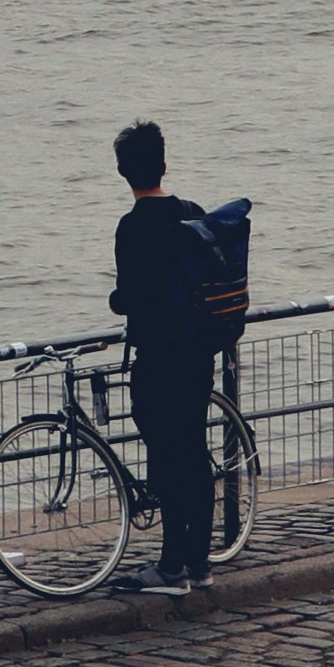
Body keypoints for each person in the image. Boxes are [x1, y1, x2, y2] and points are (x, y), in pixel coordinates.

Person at [107, 121, 226, 594]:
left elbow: (132, 296)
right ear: (164, 163)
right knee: (194, 452)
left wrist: (118, 301)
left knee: (166, 458)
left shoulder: (133, 227)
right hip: (199, 353)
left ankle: (171, 566)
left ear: (122, 172)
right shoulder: (193, 213)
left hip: (158, 359)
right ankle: (198, 561)